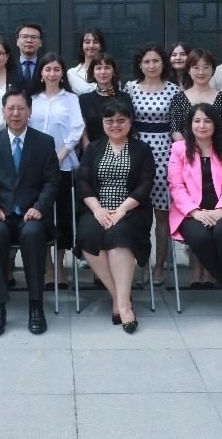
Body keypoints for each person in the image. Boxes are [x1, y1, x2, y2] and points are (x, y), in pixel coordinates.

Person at [0, 88, 61, 336]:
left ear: (29, 112)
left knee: (33, 234)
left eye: (21, 108)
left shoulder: (44, 142)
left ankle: (36, 305)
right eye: (11, 108)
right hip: (0, 214)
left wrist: (39, 207)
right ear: (3, 112)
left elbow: (52, 182)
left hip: (32, 213)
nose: (16, 113)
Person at [168, 104, 222, 328]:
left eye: (207, 121)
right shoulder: (179, 149)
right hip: (190, 212)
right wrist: (195, 212)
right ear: (190, 124)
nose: (202, 125)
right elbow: (176, 186)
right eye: (197, 121)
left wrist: (221, 210)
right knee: (200, 238)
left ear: (215, 124)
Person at [76, 99, 153, 334]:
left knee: (119, 236)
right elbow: (83, 182)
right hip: (97, 209)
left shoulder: (142, 149)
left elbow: (145, 184)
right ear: (103, 123)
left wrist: (121, 210)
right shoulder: (93, 148)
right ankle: (121, 299)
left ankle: (123, 306)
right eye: (109, 121)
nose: (115, 125)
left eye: (121, 120)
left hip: (131, 210)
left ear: (130, 122)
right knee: (88, 234)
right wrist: (98, 210)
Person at [168, 48, 222, 286]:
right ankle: (197, 271)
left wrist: (209, 149)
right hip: (186, 161)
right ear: (189, 70)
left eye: (206, 67)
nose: (201, 71)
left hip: (216, 159)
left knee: (214, 218)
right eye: (196, 67)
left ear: (213, 70)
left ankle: (211, 273)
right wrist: (191, 150)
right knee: (196, 218)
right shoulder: (179, 98)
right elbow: (175, 129)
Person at [123, 43, 179, 284]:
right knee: (137, 213)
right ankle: (141, 265)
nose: (152, 65)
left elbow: (176, 125)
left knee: (162, 214)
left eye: (156, 61)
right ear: (140, 64)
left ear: (163, 63)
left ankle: (159, 266)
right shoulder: (130, 88)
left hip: (165, 152)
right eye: (147, 61)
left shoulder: (174, 90)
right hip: (137, 151)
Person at [29, 53, 84, 288]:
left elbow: (77, 128)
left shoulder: (71, 99)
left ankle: (60, 265)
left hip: (64, 164)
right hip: (35, 167)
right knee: (41, 214)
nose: (52, 73)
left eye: (56, 69)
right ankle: (47, 266)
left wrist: (60, 154)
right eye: (47, 69)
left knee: (62, 216)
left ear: (62, 74)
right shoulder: (32, 99)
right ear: (41, 73)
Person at [78, 52, 121, 148]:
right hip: (93, 150)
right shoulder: (84, 99)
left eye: (107, 68)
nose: (103, 72)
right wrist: (89, 152)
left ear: (113, 72)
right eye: (98, 68)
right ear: (93, 73)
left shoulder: (124, 98)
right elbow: (84, 133)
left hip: (121, 149)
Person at [67, 28, 105, 95]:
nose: (91, 45)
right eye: (87, 42)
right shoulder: (71, 74)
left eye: (95, 42)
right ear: (82, 46)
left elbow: (114, 95)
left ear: (101, 46)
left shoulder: (108, 72)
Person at [15, 22, 44, 89]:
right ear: (17, 42)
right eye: (24, 36)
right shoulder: (9, 67)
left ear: (40, 43)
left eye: (34, 37)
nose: (29, 40)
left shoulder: (46, 67)